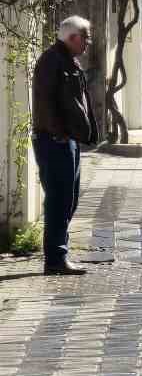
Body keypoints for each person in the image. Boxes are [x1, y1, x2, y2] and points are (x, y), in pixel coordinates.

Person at [31, 17, 99, 276]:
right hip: (54, 141)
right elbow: (45, 103)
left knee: (68, 199)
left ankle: (57, 254)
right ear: (72, 38)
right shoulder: (52, 61)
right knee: (59, 199)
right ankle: (55, 258)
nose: (88, 42)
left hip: (66, 140)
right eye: (86, 37)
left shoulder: (68, 61)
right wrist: (59, 134)